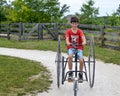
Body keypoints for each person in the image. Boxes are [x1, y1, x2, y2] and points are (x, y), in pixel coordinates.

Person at [65, 16, 86, 82]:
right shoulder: (68, 31)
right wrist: (68, 42)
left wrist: (84, 41)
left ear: (77, 24)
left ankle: (80, 74)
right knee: (70, 56)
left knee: (81, 60)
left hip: (79, 47)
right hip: (71, 47)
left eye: (76, 23)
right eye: (73, 23)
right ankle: (70, 72)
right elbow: (67, 39)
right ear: (71, 24)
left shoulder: (80, 31)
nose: (74, 25)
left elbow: (83, 37)